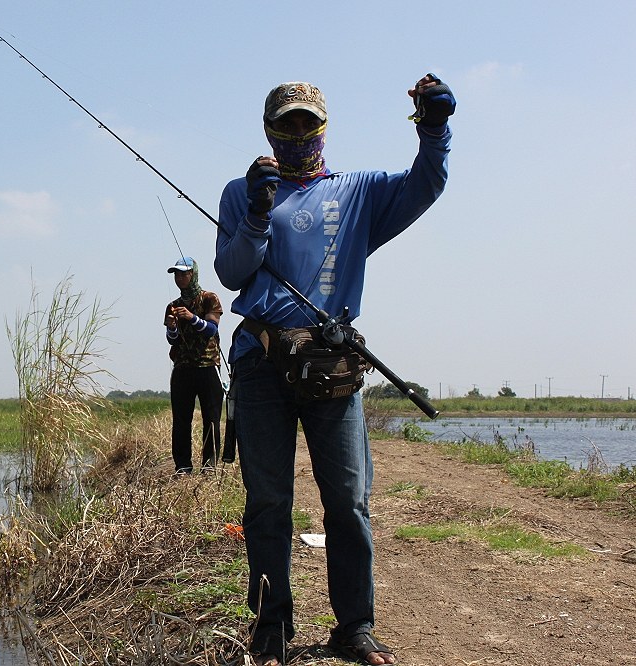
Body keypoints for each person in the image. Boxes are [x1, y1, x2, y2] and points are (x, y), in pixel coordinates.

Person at [214, 75, 455, 666]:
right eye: (286, 123)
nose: (298, 134)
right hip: (260, 362)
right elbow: (230, 271)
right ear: (269, 129)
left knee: (347, 499)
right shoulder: (240, 191)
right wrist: (256, 213)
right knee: (267, 501)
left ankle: (356, 627)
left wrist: (435, 128)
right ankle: (271, 629)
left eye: (307, 122)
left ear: (323, 126)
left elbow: (426, 184)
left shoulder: (360, 192)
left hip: (332, 366)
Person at [163, 256, 225, 475]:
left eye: (184, 273)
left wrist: (191, 317)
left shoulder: (209, 298)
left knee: (211, 418)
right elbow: (172, 339)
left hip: (208, 367)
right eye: (176, 275)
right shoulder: (173, 306)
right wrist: (172, 326)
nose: (180, 278)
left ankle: (209, 466)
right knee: (181, 420)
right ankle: (183, 466)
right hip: (182, 369)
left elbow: (211, 329)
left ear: (193, 274)